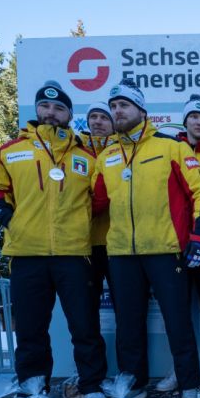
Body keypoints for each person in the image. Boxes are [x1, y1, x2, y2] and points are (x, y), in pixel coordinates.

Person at [91, 79, 200, 398]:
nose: (117, 111)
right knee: (128, 326)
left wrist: (199, 238)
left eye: (124, 106)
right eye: (113, 106)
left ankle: (189, 386)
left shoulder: (171, 147)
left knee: (177, 322)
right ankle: (133, 388)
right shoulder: (107, 156)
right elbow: (94, 203)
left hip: (165, 249)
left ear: (142, 111)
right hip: (121, 254)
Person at [0, 80, 107, 398]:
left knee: (85, 325)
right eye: (46, 106)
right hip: (26, 254)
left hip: (73, 254)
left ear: (69, 114)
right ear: (37, 110)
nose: (51, 113)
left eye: (59, 108)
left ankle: (91, 384)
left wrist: (78, 222)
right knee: (30, 329)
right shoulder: (10, 150)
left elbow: (98, 200)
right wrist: (9, 217)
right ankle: (32, 388)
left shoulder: (86, 157)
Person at [156, 94, 200, 391]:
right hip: (175, 243)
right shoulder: (170, 148)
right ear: (185, 122)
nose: (199, 121)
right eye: (193, 117)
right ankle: (180, 369)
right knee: (178, 311)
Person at [79, 102, 117, 323]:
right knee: (85, 310)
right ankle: (91, 359)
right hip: (85, 243)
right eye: (93, 117)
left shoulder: (121, 151)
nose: (98, 122)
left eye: (104, 118)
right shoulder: (76, 151)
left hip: (116, 244)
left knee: (127, 307)